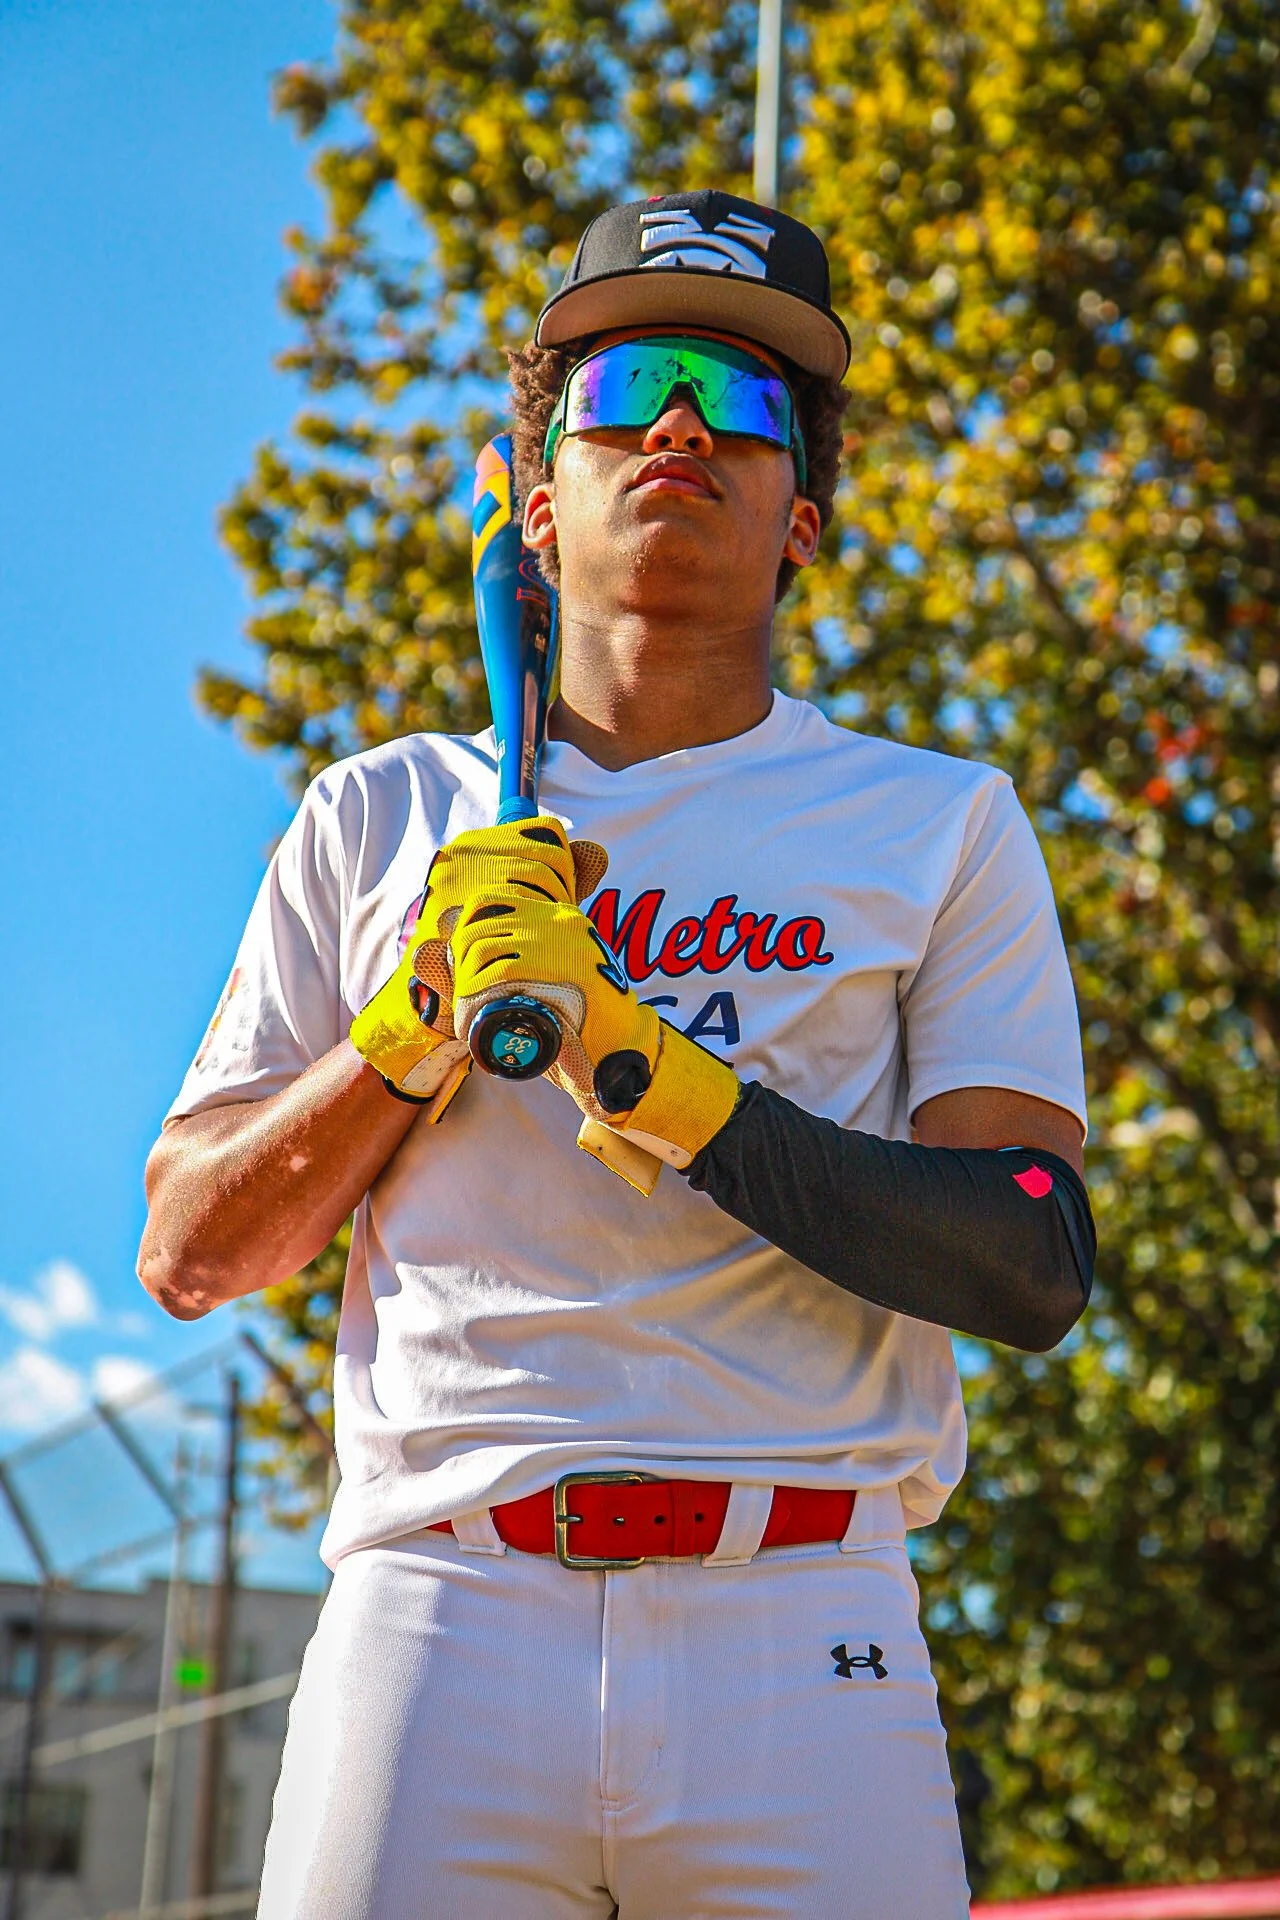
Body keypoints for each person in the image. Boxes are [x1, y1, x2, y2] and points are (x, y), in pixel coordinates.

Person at [139, 189, 1094, 1920]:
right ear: (533, 498)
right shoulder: (378, 815)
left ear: (804, 519)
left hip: (807, 1622)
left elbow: (1025, 1252)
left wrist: (645, 1068)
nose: (678, 427)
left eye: (742, 407)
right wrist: (412, 1019)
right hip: (440, 1626)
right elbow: (195, 1252)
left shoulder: (940, 824)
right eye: (626, 386)